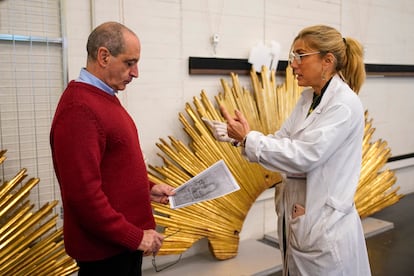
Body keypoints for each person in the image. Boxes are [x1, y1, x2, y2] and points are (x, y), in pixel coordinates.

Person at [212, 25, 371, 275]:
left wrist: (249, 140)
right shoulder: (308, 99)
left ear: (327, 61)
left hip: (324, 227)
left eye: (300, 56)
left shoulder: (344, 105)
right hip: (300, 218)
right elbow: (282, 142)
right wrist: (240, 138)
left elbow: (304, 156)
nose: (293, 64)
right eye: (293, 56)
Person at [50, 21, 175, 276]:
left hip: (120, 249)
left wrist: (148, 189)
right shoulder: (80, 109)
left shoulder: (102, 98)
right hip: (106, 255)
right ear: (104, 56)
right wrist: (135, 237)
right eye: (130, 63)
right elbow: (84, 197)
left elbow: (111, 167)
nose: (136, 72)